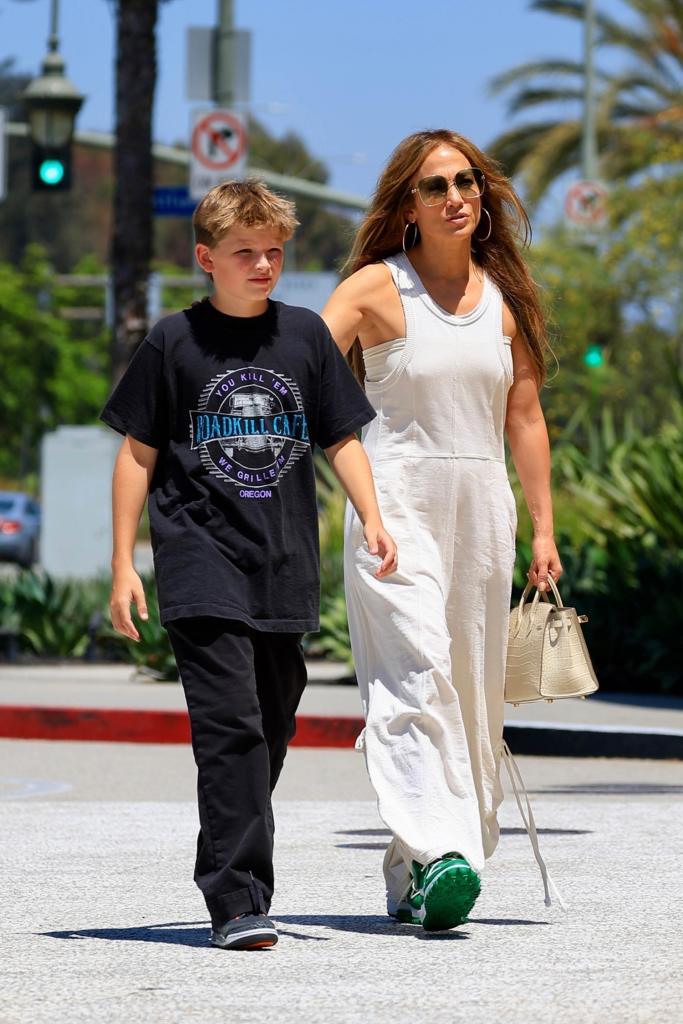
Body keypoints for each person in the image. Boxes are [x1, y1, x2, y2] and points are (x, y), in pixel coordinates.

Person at [101, 180, 397, 951]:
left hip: (284, 562)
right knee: (230, 729)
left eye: (273, 252)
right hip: (200, 559)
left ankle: (228, 863)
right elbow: (135, 455)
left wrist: (371, 514)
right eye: (244, 253)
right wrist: (123, 565)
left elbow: (341, 438)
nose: (263, 265)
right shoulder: (174, 341)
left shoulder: (304, 337)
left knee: (268, 725)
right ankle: (237, 898)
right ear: (206, 259)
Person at [322, 129, 562, 932]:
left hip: (482, 510)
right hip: (395, 507)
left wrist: (542, 530)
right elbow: (307, 381)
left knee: (467, 691)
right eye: (435, 186)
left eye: (466, 182)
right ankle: (442, 851)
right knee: (415, 674)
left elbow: (523, 417)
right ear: (407, 206)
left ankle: (414, 873)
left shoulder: (503, 299)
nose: (456, 196)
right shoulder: (372, 289)